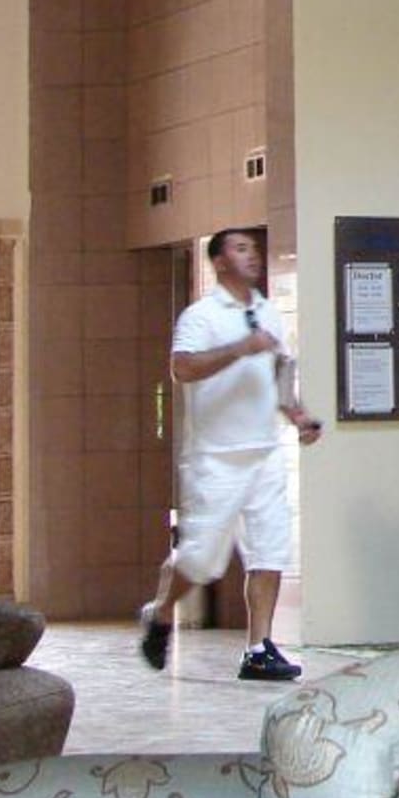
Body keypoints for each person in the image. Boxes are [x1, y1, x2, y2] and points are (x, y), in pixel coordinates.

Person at [139, 227, 321, 681]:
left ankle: (258, 648)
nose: (252, 255)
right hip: (215, 457)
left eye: (254, 248)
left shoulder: (268, 312)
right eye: (241, 249)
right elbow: (182, 368)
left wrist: (297, 416)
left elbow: (279, 372)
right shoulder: (200, 317)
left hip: (265, 454)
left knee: (271, 549)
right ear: (219, 262)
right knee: (201, 559)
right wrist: (240, 348)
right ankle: (160, 611)